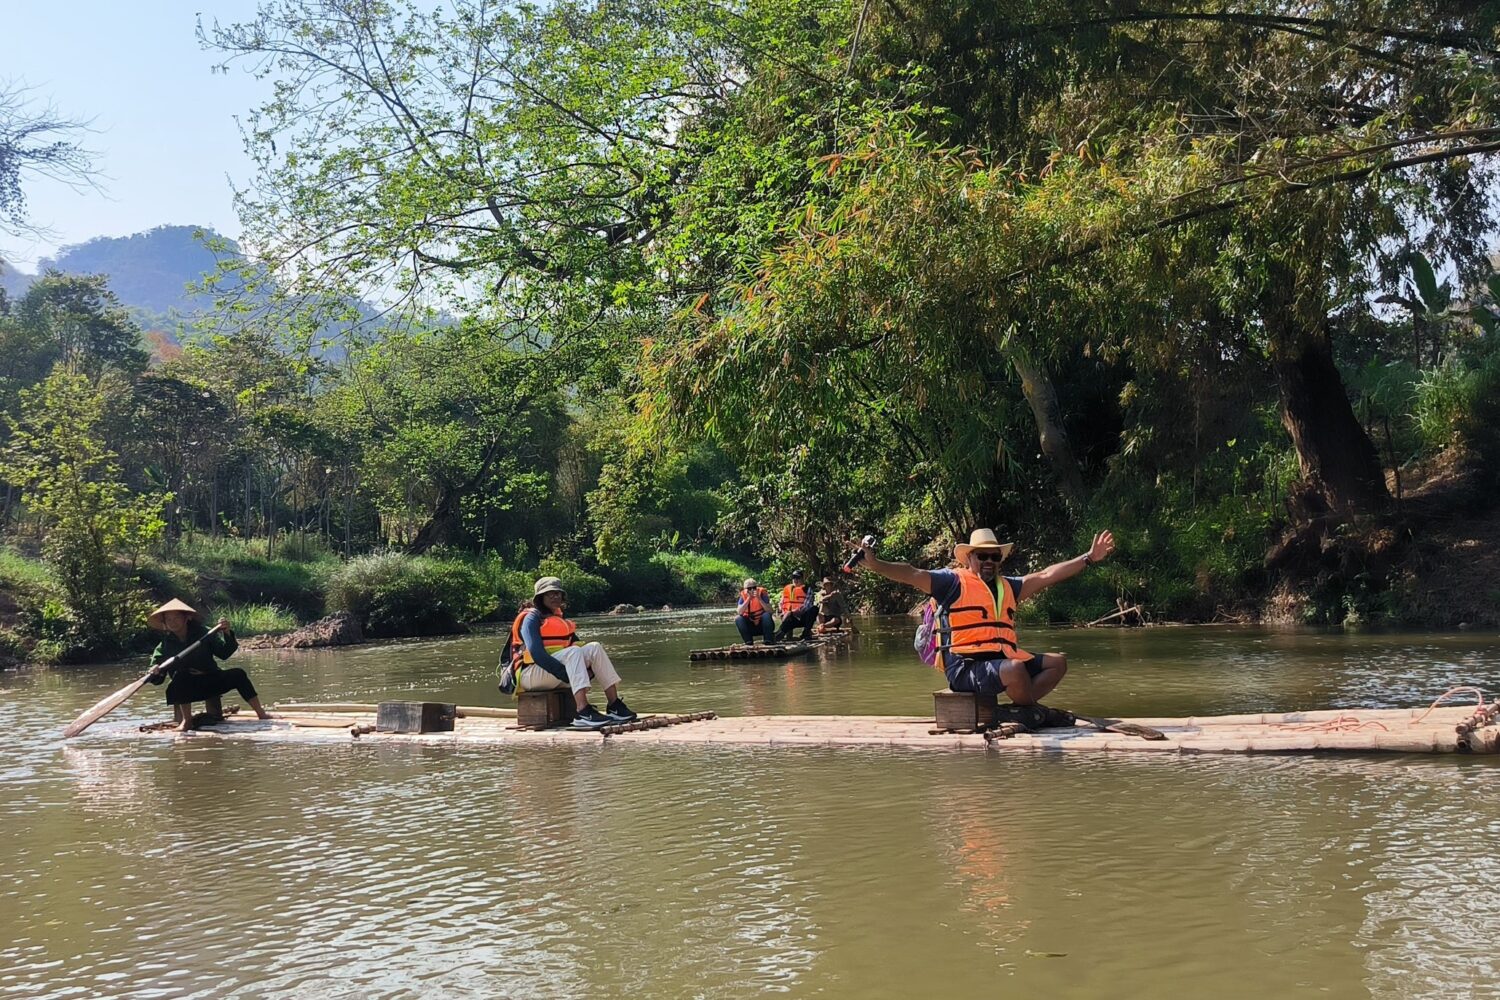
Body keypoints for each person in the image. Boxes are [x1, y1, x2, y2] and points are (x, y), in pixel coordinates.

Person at [854, 528, 1115, 707]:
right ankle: (1028, 709)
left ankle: (1022, 708)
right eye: (982, 556)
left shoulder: (1009, 586)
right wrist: (876, 564)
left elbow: (1047, 575)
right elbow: (912, 573)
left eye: (995, 556)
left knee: (1057, 663)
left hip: (1000, 659)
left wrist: (1089, 558)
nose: (989, 560)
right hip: (965, 668)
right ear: (969, 558)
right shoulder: (950, 582)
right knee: (1015, 669)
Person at [509, 576, 637, 730]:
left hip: (551, 674)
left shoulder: (559, 618)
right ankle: (583, 711)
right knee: (573, 652)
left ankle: (614, 705)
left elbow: (579, 648)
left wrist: (586, 670)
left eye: (558, 593)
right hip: (530, 675)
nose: (555, 596)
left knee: (594, 648)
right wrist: (566, 674)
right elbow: (537, 655)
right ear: (540, 597)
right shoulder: (531, 618)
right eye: (550, 593)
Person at [144, 598, 269, 732]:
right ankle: (186, 721)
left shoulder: (204, 633)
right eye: (168, 619)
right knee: (181, 676)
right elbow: (158, 678)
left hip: (210, 681)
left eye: (176, 618)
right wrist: (155, 670)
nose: (172, 622)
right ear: (164, 623)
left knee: (238, 674)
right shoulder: (164, 645)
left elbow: (224, 653)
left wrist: (226, 633)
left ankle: (261, 713)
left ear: (186, 618)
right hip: (185, 690)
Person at [773, 570, 817, 643]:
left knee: (814, 609)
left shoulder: (807, 589)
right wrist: (784, 612)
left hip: (803, 617)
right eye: (794, 577)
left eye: (798, 578)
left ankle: (806, 634)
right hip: (790, 618)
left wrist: (792, 612)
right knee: (781, 632)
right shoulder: (787, 589)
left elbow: (806, 606)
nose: (795, 580)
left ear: (802, 578)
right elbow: (781, 603)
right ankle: (779, 636)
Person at [735, 577, 775, 645]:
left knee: (766, 615)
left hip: (763, 626)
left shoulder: (762, 593)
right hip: (751, 627)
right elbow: (739, 612)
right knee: (738, 618)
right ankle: (748, 642)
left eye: (754, 588)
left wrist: (759, 599)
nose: (752, 590)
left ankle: (768, 640)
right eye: (749, 588)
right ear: (745, 589)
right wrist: (748, 599)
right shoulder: (743, 596)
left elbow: (770, 611)